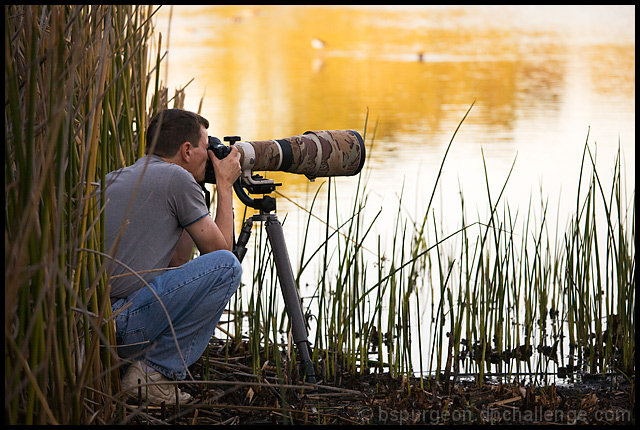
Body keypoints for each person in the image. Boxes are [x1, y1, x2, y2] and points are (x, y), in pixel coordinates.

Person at [104, 109, 242, 404]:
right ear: (187, 150)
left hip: (102, 326)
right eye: (207, 147)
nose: (210, 155)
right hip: (127, 324)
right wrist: (225, 186)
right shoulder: (176, 178)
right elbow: (221, 255)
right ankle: (153, 376)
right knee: (228, 268)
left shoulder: (116, 177)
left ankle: (138, 369)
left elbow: (178, 263)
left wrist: (196, 202)